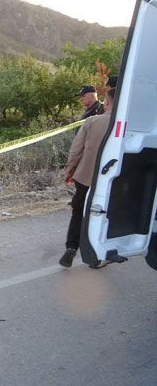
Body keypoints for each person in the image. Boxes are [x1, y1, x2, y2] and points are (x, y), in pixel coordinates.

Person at [60, 88, 115, 267]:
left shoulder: (91, 121)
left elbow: (76, 150)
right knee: (104, 214)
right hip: (113, 180)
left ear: (106, 103)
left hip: (86, 176)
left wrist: (69, 171)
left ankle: (71, 247)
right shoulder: (127, 125)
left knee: (79, 211)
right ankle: (97, 255)